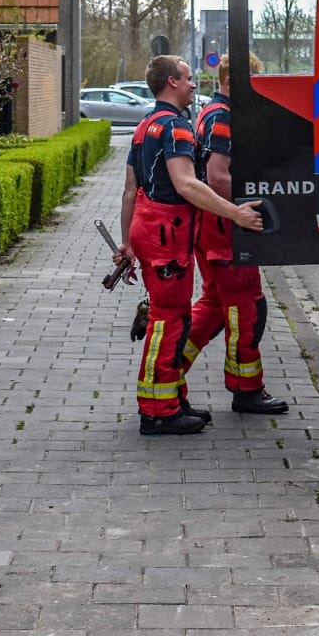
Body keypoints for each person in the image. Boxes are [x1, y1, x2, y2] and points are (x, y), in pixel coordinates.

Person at [115, 55, 264, 436]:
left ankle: (171, 399)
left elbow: (131, 190)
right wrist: (235, 213)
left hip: (149, 231)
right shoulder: (176, 128)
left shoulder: (144, 127)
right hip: (169, 233)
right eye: (187, 77)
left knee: (173, 319)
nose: (194, 83)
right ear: (171, 82)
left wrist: (127, 243)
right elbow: (187, 184)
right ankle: (158, 411)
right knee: (168, 322)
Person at [183, 53, 289, 416]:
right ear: (232, 83)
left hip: (211, 224)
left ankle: (167, 375)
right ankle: (247, 390)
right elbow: (218, 176)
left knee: (215, 306)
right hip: (224, 228)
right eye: (251, 85)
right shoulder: (224, 117)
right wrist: (248, 209)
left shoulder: (212, 113)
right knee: (247, 307)